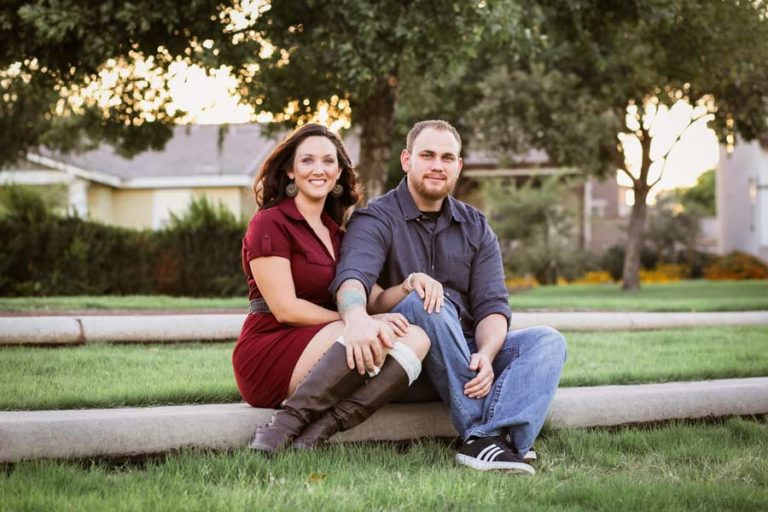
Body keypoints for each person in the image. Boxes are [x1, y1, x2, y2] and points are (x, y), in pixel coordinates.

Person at [330, 120, 567, 474]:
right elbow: (351, 280)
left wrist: (486, 355)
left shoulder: (475, 226)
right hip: (412, 361)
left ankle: (499, 439)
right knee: (429, 301)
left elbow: (492, 306)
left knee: (547, 341)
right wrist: (356, 318)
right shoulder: (375, 218)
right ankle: (483, 438)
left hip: (466, 357)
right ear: (407, 160)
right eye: (427, 155)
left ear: (459, 166)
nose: (437, 165)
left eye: (447, 157)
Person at [232, 123, 439, 455]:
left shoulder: (339, 235)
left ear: (339, 172)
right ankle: (282, 426)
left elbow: (371, 299)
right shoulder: (270, 223)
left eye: (328, 161)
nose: (319, 169)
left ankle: (319, 431)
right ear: (290, 170)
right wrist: (354, 322)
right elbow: (285, 308)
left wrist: (408, 286)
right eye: (307, 161)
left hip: (329, 342)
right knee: (367, 331)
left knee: (418, 338)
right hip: (271, 346)